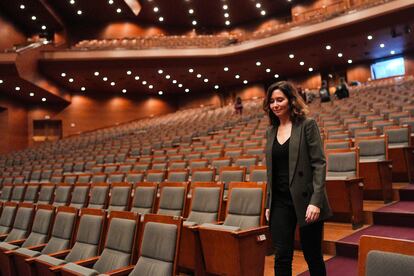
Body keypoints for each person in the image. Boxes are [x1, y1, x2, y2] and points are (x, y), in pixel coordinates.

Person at [263, 81, 332, 276]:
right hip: (280, 202)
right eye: (272, 101)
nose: (275, 105)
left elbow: (319, 163)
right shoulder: (270, 131)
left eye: (280, 100)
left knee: (312, 256)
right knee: (282, 256)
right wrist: (269, 202)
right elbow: (272, 172)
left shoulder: (306, 125)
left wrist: (316, 201)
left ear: (291, 100)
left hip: (306, 200)